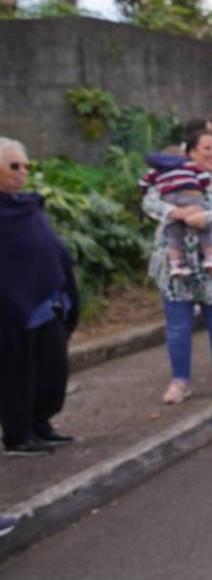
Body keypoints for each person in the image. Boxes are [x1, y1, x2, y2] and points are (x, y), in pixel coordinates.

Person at [143, 129, 212, 405]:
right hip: (176, 265)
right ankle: (180, 382)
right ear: (191, 151)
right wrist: (173, 212)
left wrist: (205, 216)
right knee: (177, 325)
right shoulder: (167, 177)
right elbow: (149, 200)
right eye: (206, 148)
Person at [0, 137, 79, 457]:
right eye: (13, 166)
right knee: (19, 374)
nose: (22, 172)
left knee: (52, 370)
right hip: (14, 309)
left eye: (26, 166)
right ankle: (18, 435)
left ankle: (41, 423)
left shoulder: (28, 205)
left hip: (49, 304)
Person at [140, 153, 212, 277]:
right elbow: (203, 176)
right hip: (190, 194)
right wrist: (204, 185)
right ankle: (210, 258)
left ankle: (175, 264)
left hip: (169, 197)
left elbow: (143, 183)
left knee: (174, 232)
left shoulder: (156, 168)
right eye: (207, 149)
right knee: (204, 226)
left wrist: (148, 189)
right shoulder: (187, 164)